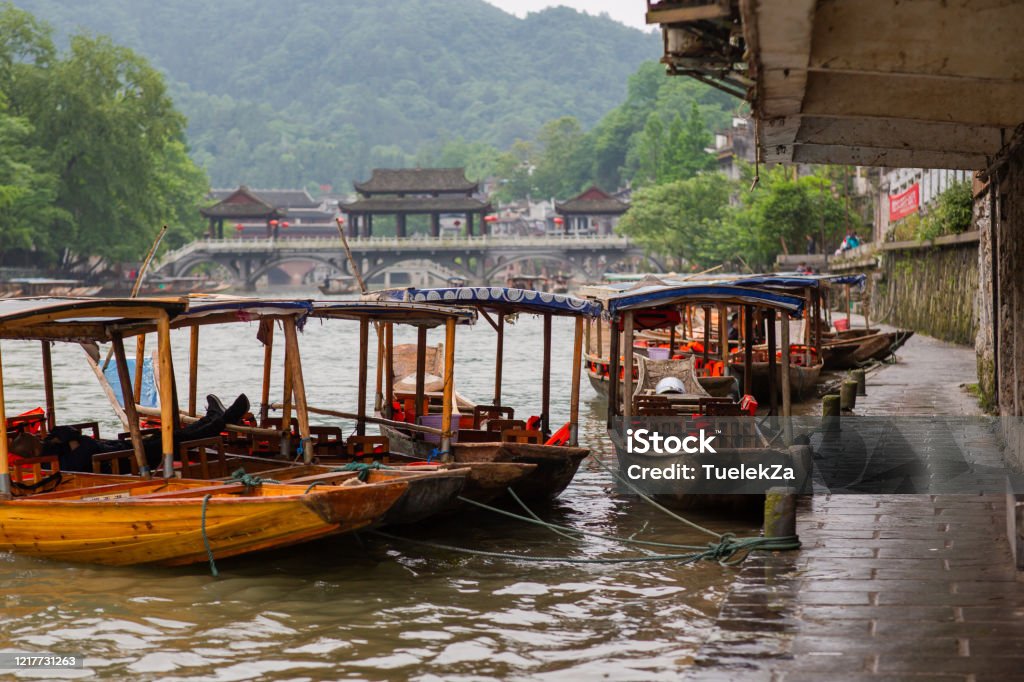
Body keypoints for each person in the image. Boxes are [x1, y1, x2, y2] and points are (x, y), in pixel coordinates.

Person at [10, 394, 249, 473]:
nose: (26, 433)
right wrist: (73, 441)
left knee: (169, 436)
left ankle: (215, 418)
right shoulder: (52, 463)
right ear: (29, 451)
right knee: (172, 440)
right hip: (125, 461)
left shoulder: (53, 442)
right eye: (21, 437)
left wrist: (71, 439)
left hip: (121, 451)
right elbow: (88, 449)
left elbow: (73, 433)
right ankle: (221, 419)